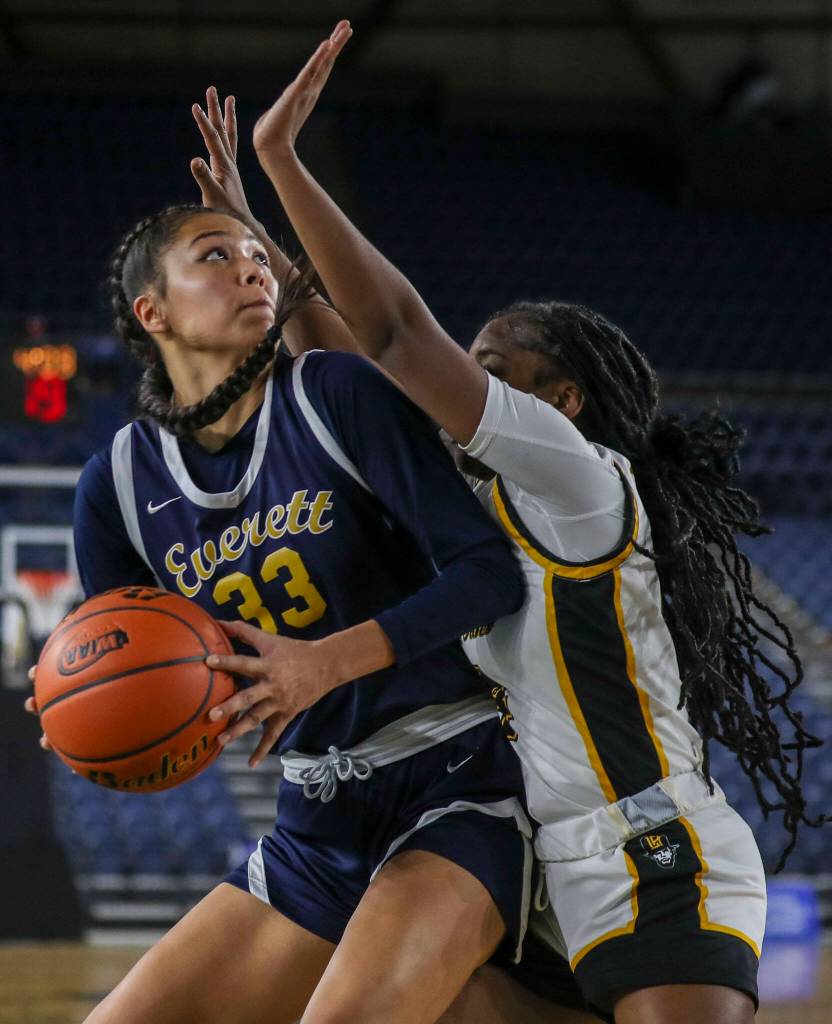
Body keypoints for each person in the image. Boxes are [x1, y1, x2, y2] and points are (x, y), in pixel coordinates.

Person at [241, 21, 825, 1024]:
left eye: (492, 369)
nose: (462, 382)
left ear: (559, 400)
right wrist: (267, 264)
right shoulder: (470, 499)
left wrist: (282, 160)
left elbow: (393, 335)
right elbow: (347, 364)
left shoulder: (575, 477)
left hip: (655, 853)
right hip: (548, 873)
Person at [27, 136, 544, 1022]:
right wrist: (81, 705)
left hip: (460, 782)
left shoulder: (334, 395)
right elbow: (128, 657)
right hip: (317, 815)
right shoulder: (114, 485)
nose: (250, 268)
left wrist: (324, 663)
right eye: (217, 255)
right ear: (151, 310)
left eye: (259, 255)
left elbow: (490, 571)